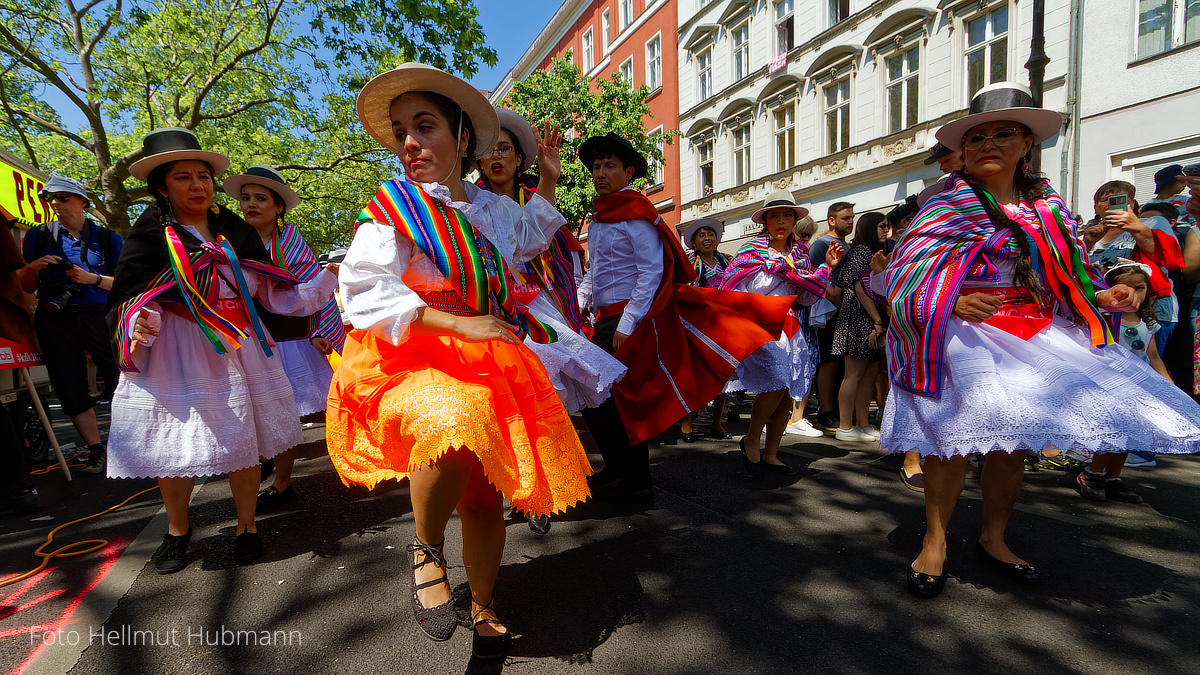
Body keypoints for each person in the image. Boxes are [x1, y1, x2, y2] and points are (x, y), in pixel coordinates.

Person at [881, 82, 1200, 600]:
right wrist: (952, 300)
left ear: (1027, 143)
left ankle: (994, 538)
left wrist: (1103, 293)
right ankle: (935, 541)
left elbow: (1067, 270)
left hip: (1035, 331)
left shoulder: (1048, 206)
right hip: (962, 335)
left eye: (1003, 133)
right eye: (978, 135)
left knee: (1012, 445)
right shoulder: (947, 203)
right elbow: (903, 271)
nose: (988, 144)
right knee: (949, 443)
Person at [326, 64, 591, 660]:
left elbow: (528, 238)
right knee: (448, 420)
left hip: (489, 355)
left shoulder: (492, 212)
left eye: (425, 126)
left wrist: (547, 180)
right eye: (401, 131)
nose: (410, 143)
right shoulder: (395, 210)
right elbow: (366, 288)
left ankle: (483, 605)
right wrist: (454, 321)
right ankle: (425, 550)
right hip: (411, 352)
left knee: (482, 496)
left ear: (462, 138)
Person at [105, 127, 340, 573]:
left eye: (203, 176)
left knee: (243, 439)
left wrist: (324, 281)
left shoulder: (234, 232)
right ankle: (177, 531)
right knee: (171, 447)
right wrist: (141, 321)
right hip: (175, 350)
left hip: (239, 345)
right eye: (183, 178)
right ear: (161, 187)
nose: (197, 185)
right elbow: (130, 296)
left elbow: (274, 294)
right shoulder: (150, 236)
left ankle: (246, 525)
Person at [576, 132, 792, 499]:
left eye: (609, 165)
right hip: (606, 318)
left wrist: (627, 324)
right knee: (596, 392)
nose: (600, 172)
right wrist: (581, 300)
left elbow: (651, 272)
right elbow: (596, 270)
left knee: (617, 395)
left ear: (628, 172)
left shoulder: (637, 214)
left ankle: (636, 481)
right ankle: (622, 468)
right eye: (596, 166)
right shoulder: (598, 218)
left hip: (633, 318)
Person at [476, 106, 625, 534]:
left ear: (521, 156)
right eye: (489, 149)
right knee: (505, 405)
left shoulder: (534, 199)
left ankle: (539, 494)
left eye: (505, 148)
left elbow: (543, 246)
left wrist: (550, 178)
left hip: (539, 313)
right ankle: (516, 487)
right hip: (489, 312)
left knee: (543, 401)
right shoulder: (466, 201)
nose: (497, 156)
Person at [222, 165, 347, 510]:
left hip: (289, 341)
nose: (251, 204)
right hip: (244, 340)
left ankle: (282, 480)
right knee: (251, 410)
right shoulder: (228, 244)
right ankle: (265, 463)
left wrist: (318, 333)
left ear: (278, 207)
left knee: (285, 411)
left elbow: (312, 292)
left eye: (261, 198)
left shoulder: (291, 243)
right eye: (246, 198)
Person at [719, 190, 842, 477]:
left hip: (792, 328)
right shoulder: (750, 252)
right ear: (765, 221)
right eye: (775, 215)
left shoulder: (800, 254)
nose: (782, 221)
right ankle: (751, 438)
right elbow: (733, 291)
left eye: (787, 215)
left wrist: (826, 269)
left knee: (787, 392)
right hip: (760, 327)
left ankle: (772, 452)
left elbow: (808, 298)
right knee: (776, 381)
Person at [20, 175, 122, 475]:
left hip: (100, 315)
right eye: (49, 198)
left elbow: (126, 285)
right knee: (68, 383)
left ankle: (130, 444)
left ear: (82, 202)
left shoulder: (106, 238)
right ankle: (97, 450)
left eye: (63, 197)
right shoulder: (38, 237)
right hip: (56, 317)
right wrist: (33, 268)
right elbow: (26, 286)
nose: (55, 203)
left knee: (123, 378)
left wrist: (90, 278)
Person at [1076, 261, 1170, 504]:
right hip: (1110, 383)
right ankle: (1093, 475)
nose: (1133, 294)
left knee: (1130, 431)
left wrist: (1169, 385)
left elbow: (1154, 356)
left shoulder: (1147, 322)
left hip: (1137, 386)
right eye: (1124, 288)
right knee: (1111, 430)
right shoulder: (1104, 318)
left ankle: (1113, 478)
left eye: (1140, 288)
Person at [831, 212, 890, 442]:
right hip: (857, 319)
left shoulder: (870, 252)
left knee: (868, 374)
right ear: (870, 228)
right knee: (853, 374)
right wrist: (877, 319)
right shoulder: (862, 251)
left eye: (888, 226)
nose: (887, 230)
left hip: (865, 319)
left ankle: (862, 424)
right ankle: (845, 426)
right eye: (882, 226)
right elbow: (860, 288)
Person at [679, 217, 733, 441]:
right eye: (701, 235)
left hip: (723, 325)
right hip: (698, 325)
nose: (707, 238)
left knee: (724, 374)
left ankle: (716, 423)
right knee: (695, 374)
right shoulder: (691, 261)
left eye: (710, 234)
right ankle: (686, 422)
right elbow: (685, 290)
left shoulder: (725, 262)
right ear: (694, 242)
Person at [810, 201, 854, 430]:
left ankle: (837, 409)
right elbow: (817, 277)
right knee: (829, 362)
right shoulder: (820, 245)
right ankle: (825, 411)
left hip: (845, 312)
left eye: (851, 217)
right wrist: (836, 299)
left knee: (842, 364)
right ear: (831, 220)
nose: (850, 222)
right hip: (827, 312)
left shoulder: (846, 246)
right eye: (846, 218)